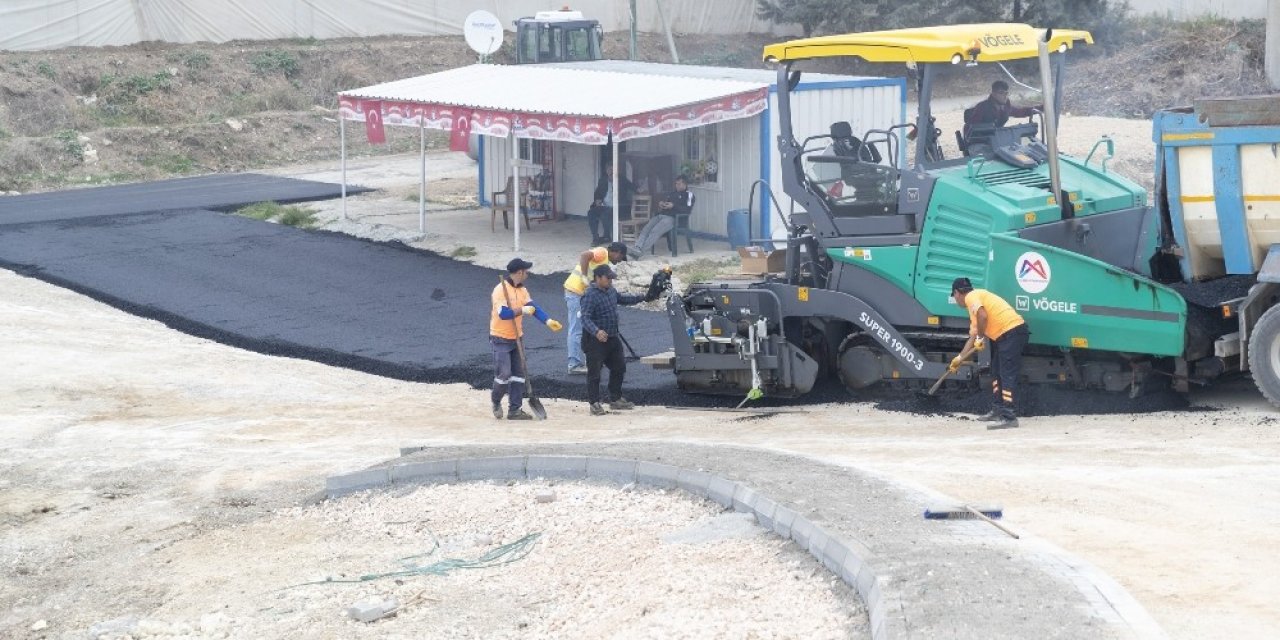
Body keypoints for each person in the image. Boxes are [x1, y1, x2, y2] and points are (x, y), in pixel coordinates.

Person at [949, 277, 1029, 430]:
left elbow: (983, 317)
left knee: (1006, 374)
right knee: (996, 372)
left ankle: (1009, 417)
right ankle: (998, 410)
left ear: (957, 293)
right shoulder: (974, 304)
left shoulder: (972, 297)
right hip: (1008, 335)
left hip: (1012, 332)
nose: (955, 300)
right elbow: (973, 337)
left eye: (954, 296)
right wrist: (959, 359)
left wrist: (980, 337)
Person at [490, 258, 563, 420]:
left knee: (518, 374)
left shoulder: (522, 290)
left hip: (517, 337)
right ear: (519, 272)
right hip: (500, 338)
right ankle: (496, 401)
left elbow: (534, 308)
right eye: (526, 271)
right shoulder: (500, 290)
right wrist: (522, 310)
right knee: (504, 374)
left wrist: (548, 321)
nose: (528, 274)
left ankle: (514, 409)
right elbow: (503, 314)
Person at [580, 264, 651, 415]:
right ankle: (594, 403)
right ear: (598, 278)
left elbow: (624, 299)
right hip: (595, 341)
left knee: (619, 367)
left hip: (612, 337)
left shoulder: (611, 291)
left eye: (612, 278)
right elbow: (585, 318)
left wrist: (643, 297)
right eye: (608, 278)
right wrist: (596, 331)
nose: (610, 281)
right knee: (595, 373)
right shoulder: (589, 295)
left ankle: (615, 398)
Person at [563, 242, 628, 375]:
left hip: (583, 293)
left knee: (588, 328)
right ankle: (574, 364)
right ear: (617, 252)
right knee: (577, 329)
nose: (619, 261)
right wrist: (584, 276)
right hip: (575, 292)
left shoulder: (605, 264)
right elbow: (584, 255)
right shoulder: (602, 252)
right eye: (620, 257)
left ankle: (591, 361)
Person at [631, 175, 695, 257]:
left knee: (655, 231)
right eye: (676, 184)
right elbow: (667, 203)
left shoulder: (689, 195)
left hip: (674, 218)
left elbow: (687, 210)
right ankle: (637, 247)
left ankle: (640, 252)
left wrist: (673, 206)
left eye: (679, 184)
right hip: (662, 215)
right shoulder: (673, 193)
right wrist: (662, 204)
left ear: (685, 184)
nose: (677, 186)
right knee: (646, 228)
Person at [586, 161, 634, 244]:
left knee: (605, 214)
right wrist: (597, 199)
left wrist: (640, 190)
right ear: (606, 171)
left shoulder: (621, 179)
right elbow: (597, 193)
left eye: (613, 169)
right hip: (604, 206)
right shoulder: (603, 180)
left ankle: (607, 236)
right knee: (591, 213)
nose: (611, 171)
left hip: (618, 207)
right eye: (609, 169)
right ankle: (595, 237)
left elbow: (632, 186)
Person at [964, 80, 1041, 131]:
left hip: (996, 138)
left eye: (1006, 93)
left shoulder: (1006, 107)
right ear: (993, 94)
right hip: (979, 140)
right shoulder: (982, 107)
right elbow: (971, 127)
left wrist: (1041, 108)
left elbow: (1020, 112)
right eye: (1001, 93)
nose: (1005, 96)